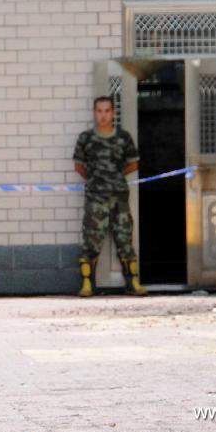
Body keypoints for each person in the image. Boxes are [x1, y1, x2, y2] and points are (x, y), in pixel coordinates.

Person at [73, 96, 147, 297]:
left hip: (119, 198)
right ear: (94, 113)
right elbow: (78, 166)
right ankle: (88, 284)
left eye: (107, 111)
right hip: (96, 199)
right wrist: (97, 180)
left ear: (113, 113)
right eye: (99, 111)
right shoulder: (86, 138)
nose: (103, 115)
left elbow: (133, 163)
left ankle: (133, 283)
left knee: (125, 240)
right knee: (91, 241)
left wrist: (115, 178)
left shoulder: (123, 138)